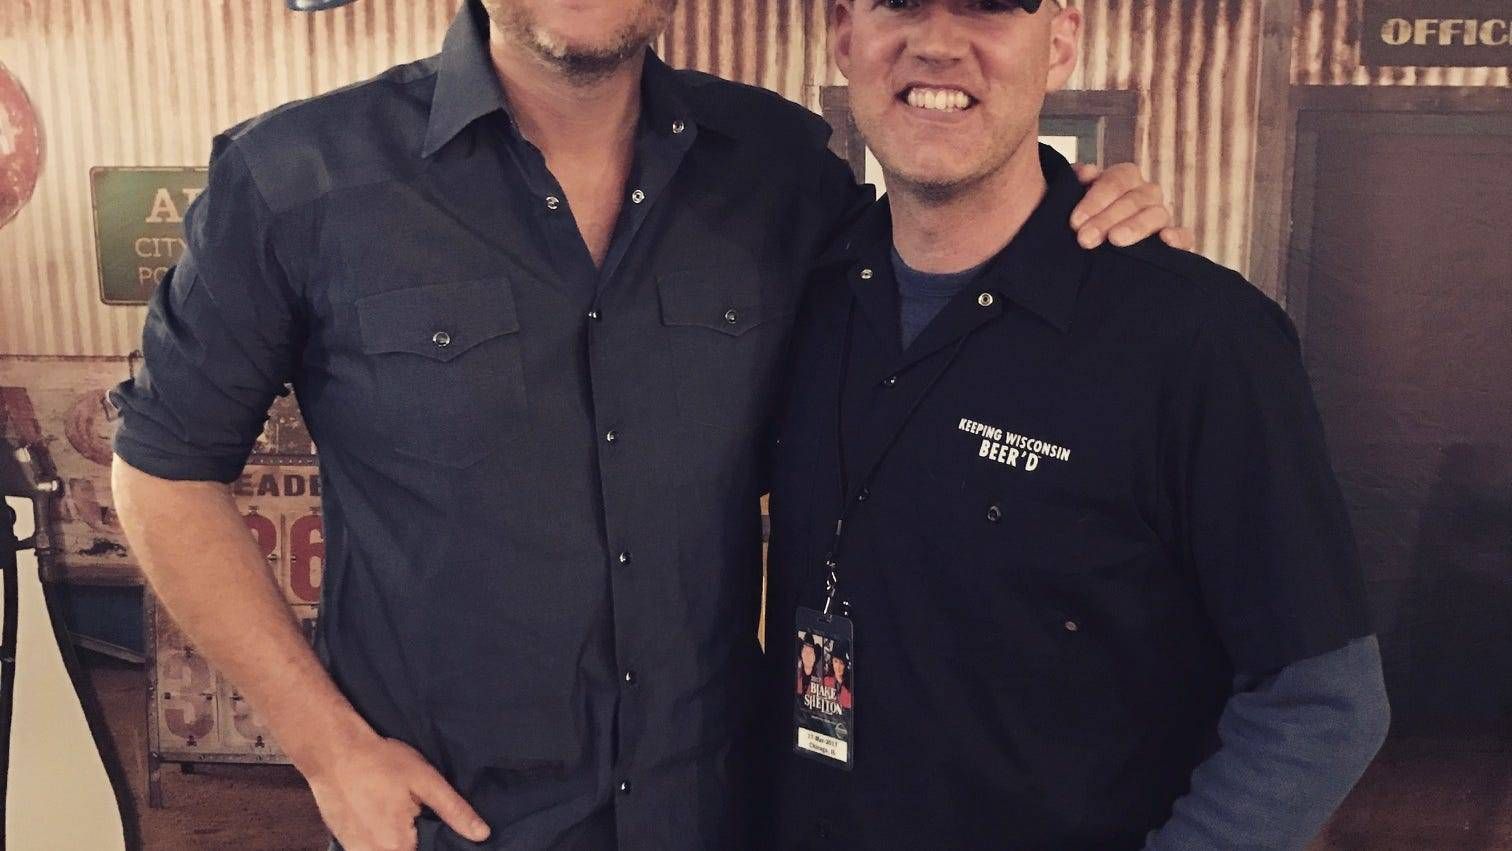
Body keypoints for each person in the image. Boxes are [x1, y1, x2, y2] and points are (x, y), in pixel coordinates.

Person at [107, 1, 1184, 849]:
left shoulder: (780, 170)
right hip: (449, 821)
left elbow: (938, 268)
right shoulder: (296, 179)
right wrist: (327, 747)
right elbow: (162, 469)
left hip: (719, 809)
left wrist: (1071, 210)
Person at [763, 1, 1391, 849]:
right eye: (901, 2)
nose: (938, 43)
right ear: (846, 36)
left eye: (988, 5)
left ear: (1059, 43)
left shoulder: (1200, 338)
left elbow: (1321, 700)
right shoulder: (799, 302)